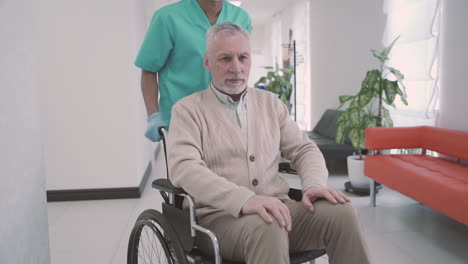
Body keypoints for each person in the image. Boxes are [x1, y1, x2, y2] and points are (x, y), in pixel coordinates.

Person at [168, 22, 371, 264]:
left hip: (280, 211)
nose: (237, 67)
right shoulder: (188, 110)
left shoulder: (271, 104)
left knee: (342, 212)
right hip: (220, 221)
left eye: (243, 57)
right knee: (267, 225)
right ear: (207, 62)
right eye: (225, 59)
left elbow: (304, 149)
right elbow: (185, 168)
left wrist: (313, 184)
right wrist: (244, 200)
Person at [135, 0, 252, 142]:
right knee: (186, 164)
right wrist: (154, 116)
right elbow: (149, 70)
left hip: (229, 121)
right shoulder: (168, 18)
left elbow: (241, 66)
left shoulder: (241, 18)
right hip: (182, 121)